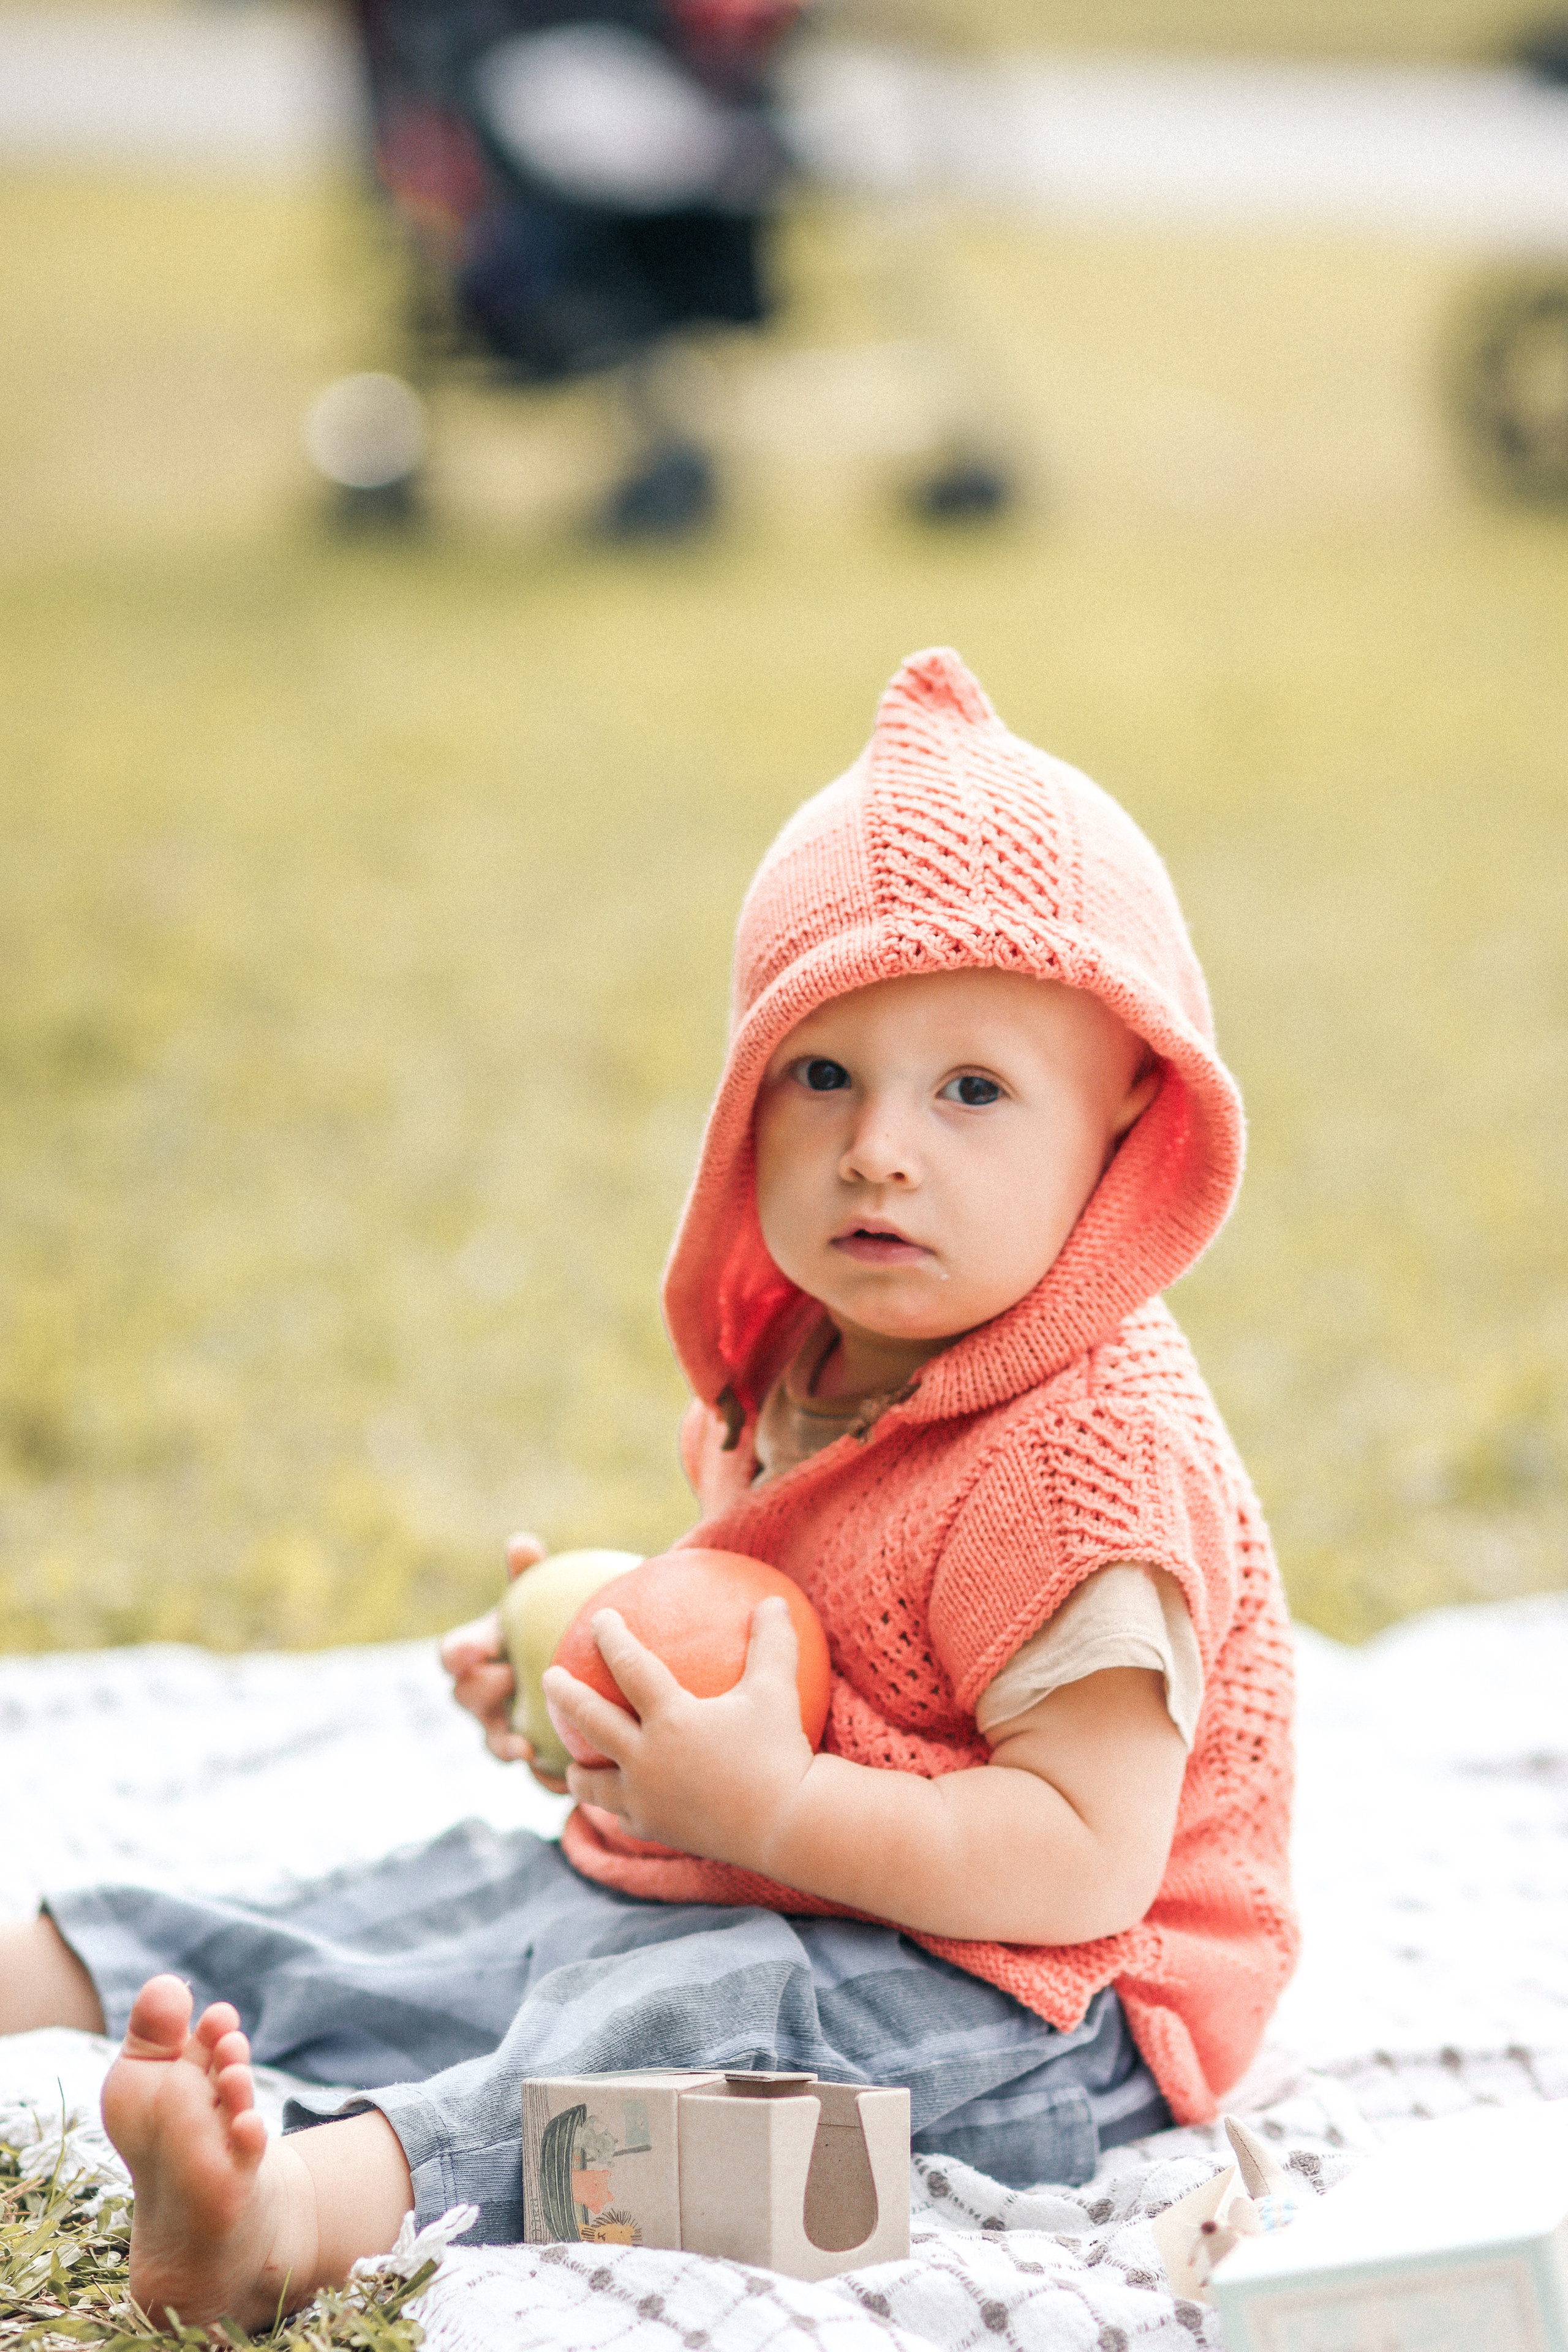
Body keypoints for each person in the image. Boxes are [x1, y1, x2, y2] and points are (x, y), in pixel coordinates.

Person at [0, 648, 1297, 2330]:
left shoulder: (1086, 1467)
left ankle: (295, 2209)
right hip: (784, 1867)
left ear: (1127, 1119)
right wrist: (612, 1677)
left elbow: (1080, 1864)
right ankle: (57, 1964)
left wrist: (762, 1812)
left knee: (673, 2044)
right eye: (822, 1075)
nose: (877, 1148)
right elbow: (807, 1623)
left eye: (972, 1090)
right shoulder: (830, 1345)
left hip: (1038, 2024)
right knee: (462, 1908)